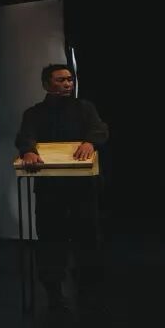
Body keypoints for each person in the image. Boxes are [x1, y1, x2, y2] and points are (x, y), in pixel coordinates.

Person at [15, 63, 109, 309]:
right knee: (50, 238)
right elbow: (25, 136)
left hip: (83, 187)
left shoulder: (85, 108)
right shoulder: (34, 113)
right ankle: (53, 291)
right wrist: (28, 151)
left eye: (69, 79)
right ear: (46, 84)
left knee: (87, 236)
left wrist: (90, 142)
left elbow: (100, 129)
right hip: (50, 187)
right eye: (60, 80)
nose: (67, 84)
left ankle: (87, 287)